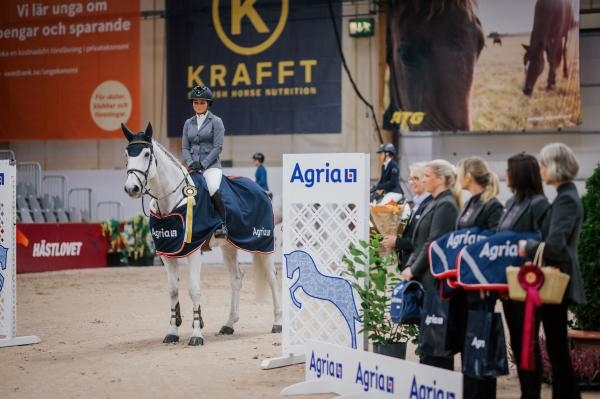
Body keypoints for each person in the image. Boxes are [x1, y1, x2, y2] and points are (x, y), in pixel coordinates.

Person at [518, 143, 586, 399]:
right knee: (557, 350)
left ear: (555, 167)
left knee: (558, 351)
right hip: (555, 278)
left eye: (544, 165)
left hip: (559, 279)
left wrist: (529, 246)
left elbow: (556, 246)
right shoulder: (564, 195)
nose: (541, 170)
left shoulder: (566, 199)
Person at [496, 152, 550, 399]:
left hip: (528, 282)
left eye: (509, 171)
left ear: (519, 174)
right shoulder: (510, 203)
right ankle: (525, 392)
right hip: (508, 282)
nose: (505, 175)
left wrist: (525, 246)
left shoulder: (538, 203)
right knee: (517, 342)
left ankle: (532, 394)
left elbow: (544, 240)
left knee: (528, 343)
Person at [402, 159, 461, 370]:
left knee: (437, 340)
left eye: (427, 176)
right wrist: (410, 265)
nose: (423, 179)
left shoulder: (446, 204)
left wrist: (413, 268)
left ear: (441, 179)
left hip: (436, 282)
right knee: (428, 340)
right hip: (425, 280)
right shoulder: (435, 203)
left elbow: (433, 243)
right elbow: (419, 241)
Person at [455, 156, 503, 399]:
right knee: (469, 340)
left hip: (481, 286)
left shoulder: (492, 205)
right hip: (465, 284)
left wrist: (485, 280)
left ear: (469, 176)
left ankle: (483, 393)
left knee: (481, 340)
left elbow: (493, 246)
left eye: (459, 172)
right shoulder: (469, 202)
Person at [181, 85, 228, 238]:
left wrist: (204, 163)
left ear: (208, 104)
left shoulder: (216, 121)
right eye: (196, 102)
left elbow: (218, 147)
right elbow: (185, 146)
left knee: (213, 187)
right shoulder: (188, 123)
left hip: (211, 166)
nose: (198, 105)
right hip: (193, 166)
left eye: (202, 102)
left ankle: (222, 224)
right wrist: (190, 162)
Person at [381, 162, 432, 270]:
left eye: (416, 178)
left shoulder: (429, 204)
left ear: (425, 181)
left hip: (419, 267)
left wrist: (397, 242)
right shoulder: (416, 204)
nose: (411, 182)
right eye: (410, 179)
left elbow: (423, 241)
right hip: (409, 264)